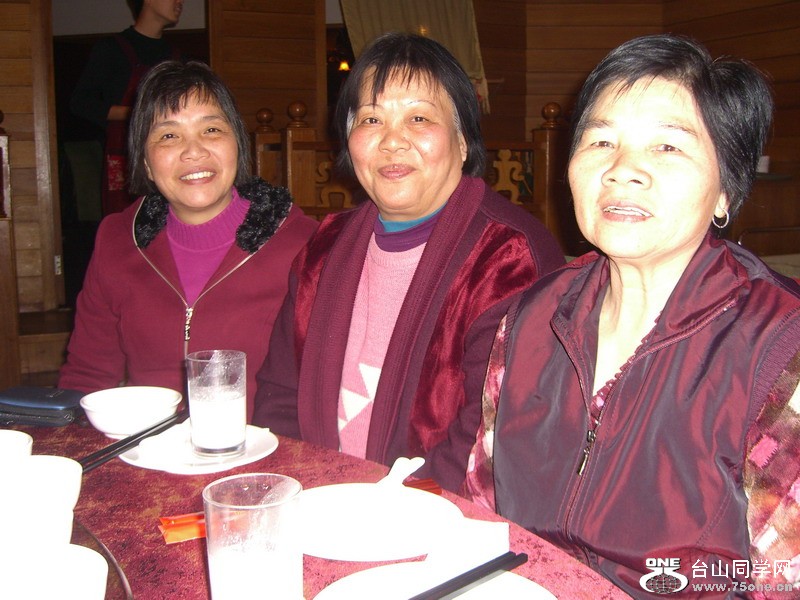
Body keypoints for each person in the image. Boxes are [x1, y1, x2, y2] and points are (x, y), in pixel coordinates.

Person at [478, 34, 800, 596]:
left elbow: (781, 578)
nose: (622, 169)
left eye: (668, 147)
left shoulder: (780, 348)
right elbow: (483, 505)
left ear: (725, 191)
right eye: (601, 140)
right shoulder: (530, 317)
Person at [251, 32, 564, 494]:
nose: (392, 141)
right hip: (316, 499)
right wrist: (301, 490)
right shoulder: (325, 248)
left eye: (419, 118)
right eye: (371, 119)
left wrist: (382, 511)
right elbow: (280, 393)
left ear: (462, 141)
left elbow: (490, 440)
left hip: (433, 515)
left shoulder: (509, 256)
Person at [59, 61, 318, 419]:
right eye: (168, 135)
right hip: (146, 445)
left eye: (211, 129)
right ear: (145, 163)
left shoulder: (303, 246)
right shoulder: (116, 240)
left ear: (238, 145)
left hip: (264, 446)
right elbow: (87, 376)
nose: (193, 151)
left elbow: (321, 388)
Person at [70, 0, 185, 216]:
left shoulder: (175, 56)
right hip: (124, 157)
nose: (180, 2)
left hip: (168, 153)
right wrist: (135, 114)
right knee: (126, 222)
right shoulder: (111, 49)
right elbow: (80, 103)